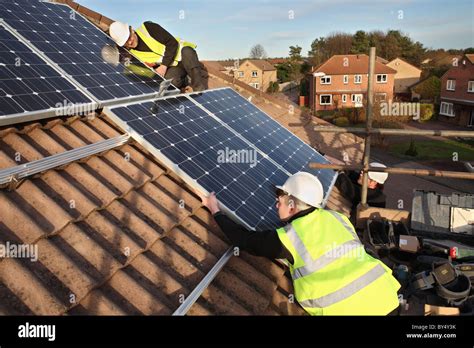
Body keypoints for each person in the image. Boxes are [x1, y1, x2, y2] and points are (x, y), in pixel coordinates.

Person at [199, 172, 401, 315]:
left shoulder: (290, 237)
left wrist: (215, 211)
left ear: (293, 205)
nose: (276, 204)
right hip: (388, 298)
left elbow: (244, 240)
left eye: (280, 199)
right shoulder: (337, 217)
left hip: (347, 310)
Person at [108, 21, 207, 91]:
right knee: (170, 82)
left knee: (187, 51)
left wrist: (164, 65)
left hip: (183, 56)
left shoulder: (148, 28)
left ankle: (197, 87)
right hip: (174, 67)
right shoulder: (134, 55)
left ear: (132, 30)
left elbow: (172, 42)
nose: (130, 42)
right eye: (125, 42)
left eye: (129, 37)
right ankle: (186, 80)